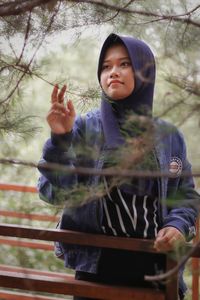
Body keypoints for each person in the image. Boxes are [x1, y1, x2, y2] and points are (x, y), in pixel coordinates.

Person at [37, 33, 199, 300]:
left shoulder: (169, 136)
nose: (113, 72)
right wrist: (60, 140)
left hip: (157, 269)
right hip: (96, 269)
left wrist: (177, 226)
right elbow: (52, 193)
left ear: (144, 72)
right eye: (106, 66)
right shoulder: (84, 127)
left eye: (124, 64)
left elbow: (186, 196)